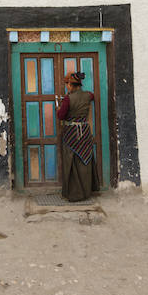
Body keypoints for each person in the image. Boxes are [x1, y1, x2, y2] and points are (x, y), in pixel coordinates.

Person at [56, 72, 100, 202]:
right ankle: (87, 192)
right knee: (84, 160)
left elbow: (61, 116)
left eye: (67, 84)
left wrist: (58, 108)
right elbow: (91, 96)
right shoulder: (88, 95)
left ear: (71, 85)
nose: (66, 87)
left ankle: (75, 194)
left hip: (71, 133)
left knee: (72, 162)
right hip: (85, 132)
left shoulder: (68, 99)